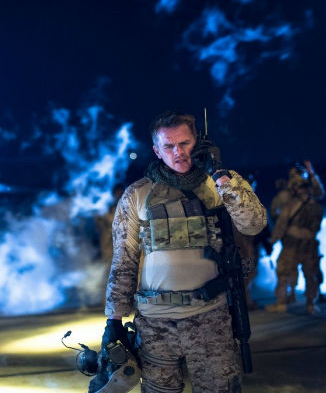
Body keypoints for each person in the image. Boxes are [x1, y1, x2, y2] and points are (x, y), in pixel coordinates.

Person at [104, 111, 267, 392]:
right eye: (169, 146)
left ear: (199, 142)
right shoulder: (137, 194)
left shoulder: (221, 184)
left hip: (210, 319)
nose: (178, 152)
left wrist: (220, 175)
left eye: (185, 143)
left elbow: (253, 224)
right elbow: (124, 260)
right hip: (155, 325)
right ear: (157, 151)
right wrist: (114, 318)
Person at [266, 174, 324, 315]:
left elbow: (281, 225)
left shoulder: (291, 205)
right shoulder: (316, 205)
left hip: (292, 244)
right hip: (310, 244)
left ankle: (281, 303)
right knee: (311, 275)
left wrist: (272, 241)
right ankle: (311, 304)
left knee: (283, 272)